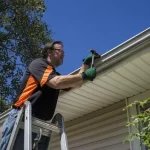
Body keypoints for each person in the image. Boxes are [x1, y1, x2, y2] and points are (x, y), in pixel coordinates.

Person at [0, 40, 97, 150]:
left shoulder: (52, 73)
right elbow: (56, 82)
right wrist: (84, 76)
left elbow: (76, 83)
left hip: (37, 123)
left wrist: (85, 65)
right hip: (21, 117)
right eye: (60, 50)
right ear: (48, 52)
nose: (63, 53)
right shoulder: (38, 64)